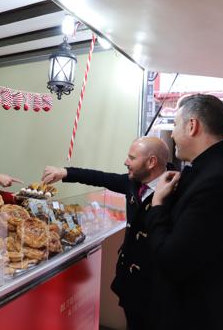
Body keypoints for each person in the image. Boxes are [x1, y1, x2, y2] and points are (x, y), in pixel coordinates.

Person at [147, 94, 223, 330]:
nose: (171, 134)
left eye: (174, 125)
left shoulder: (217, 182)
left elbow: (170, 260)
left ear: (192, 126)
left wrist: (158, 203)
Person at [42, 136, 170, 330]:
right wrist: (64, 172)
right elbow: (100, 177)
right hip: (131, 285)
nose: (126, 162)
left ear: (151, 162)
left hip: (156, 289)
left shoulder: (174, 190)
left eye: (132, 158)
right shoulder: (133, 182)